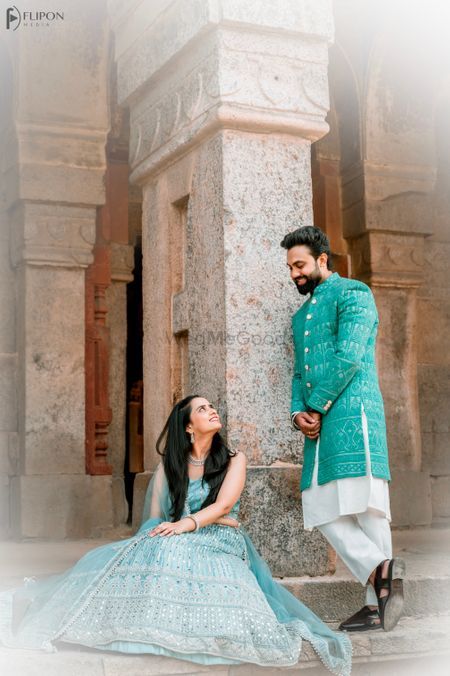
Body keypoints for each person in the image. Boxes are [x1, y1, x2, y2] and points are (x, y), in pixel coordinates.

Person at [0, 395, 351, 674]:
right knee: (151, 550)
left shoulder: (234, 459)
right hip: (181, 536)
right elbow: (154, 521)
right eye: (202, 409)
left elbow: (224, 506)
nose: (212, 411)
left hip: (222, 542)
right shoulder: (171, 467)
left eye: (212, 406)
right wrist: (178, 527)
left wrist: (188, 522)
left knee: (176, 548)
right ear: (188, 427)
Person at [281, 226, 405, 633]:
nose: (295, 274)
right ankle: (383, 572)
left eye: (300, 265)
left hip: (355, 412)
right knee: (318, 504)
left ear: (322, 259)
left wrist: (317, 406)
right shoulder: (301, 317)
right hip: (319, 423)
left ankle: (376, 605)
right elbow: (300, 372)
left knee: (368, 506)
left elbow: (349, 356)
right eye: (290, 267)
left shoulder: (354, 294)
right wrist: (299, 411)